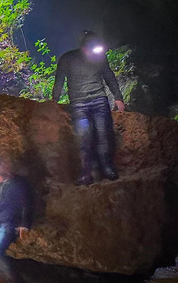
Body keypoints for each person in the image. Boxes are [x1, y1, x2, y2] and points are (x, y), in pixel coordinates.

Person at [52, 30, 125, 185]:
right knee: (84, 138)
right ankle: (86, 173)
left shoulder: (99, 57)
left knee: (103, 134)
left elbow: (109, 77)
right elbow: (59, 81)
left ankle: (106, 168)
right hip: (79, 104)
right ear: (83, 47)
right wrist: (54, 102)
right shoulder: (68, 58)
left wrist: (118, 97)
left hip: (99, 100)